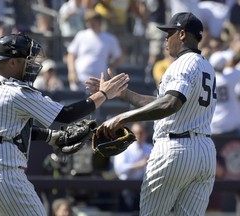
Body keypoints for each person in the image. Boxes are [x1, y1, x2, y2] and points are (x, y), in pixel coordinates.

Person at [0, 32, 129, 216]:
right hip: (5, 178)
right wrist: (104, 94)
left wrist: (51, 136)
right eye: (28, 60)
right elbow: (65, 115)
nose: (33, 65)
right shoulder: (16, 91)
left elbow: (5, 131)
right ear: (12, 62)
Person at [89, 12, 217, 215]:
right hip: (204, 153)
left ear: (182, 34)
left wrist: (122, 117)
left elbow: (170, 104)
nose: (166, 38)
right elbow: (165, 102)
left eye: (170, 33)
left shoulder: (182, 64)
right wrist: (124, 94)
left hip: (175, 149)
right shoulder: (206, 66)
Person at [67, 9, 122, 91]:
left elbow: (118, 57)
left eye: (93, 21)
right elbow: (71, 55)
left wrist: (108, 68)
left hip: (99, 83)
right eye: (88, 21)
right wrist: (72, 72)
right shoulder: (81, 35)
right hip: (80, 81)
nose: (90, 24)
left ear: (100, 22)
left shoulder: (110, 39)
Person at [113, 122, 153, 212]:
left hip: (145, 188)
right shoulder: (124, 148)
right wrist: (141, 164)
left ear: (145, 134)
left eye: (141, 132)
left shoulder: (150, 148)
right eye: (136, 132)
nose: (138, 135)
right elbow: (119, 169)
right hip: (127, 189)